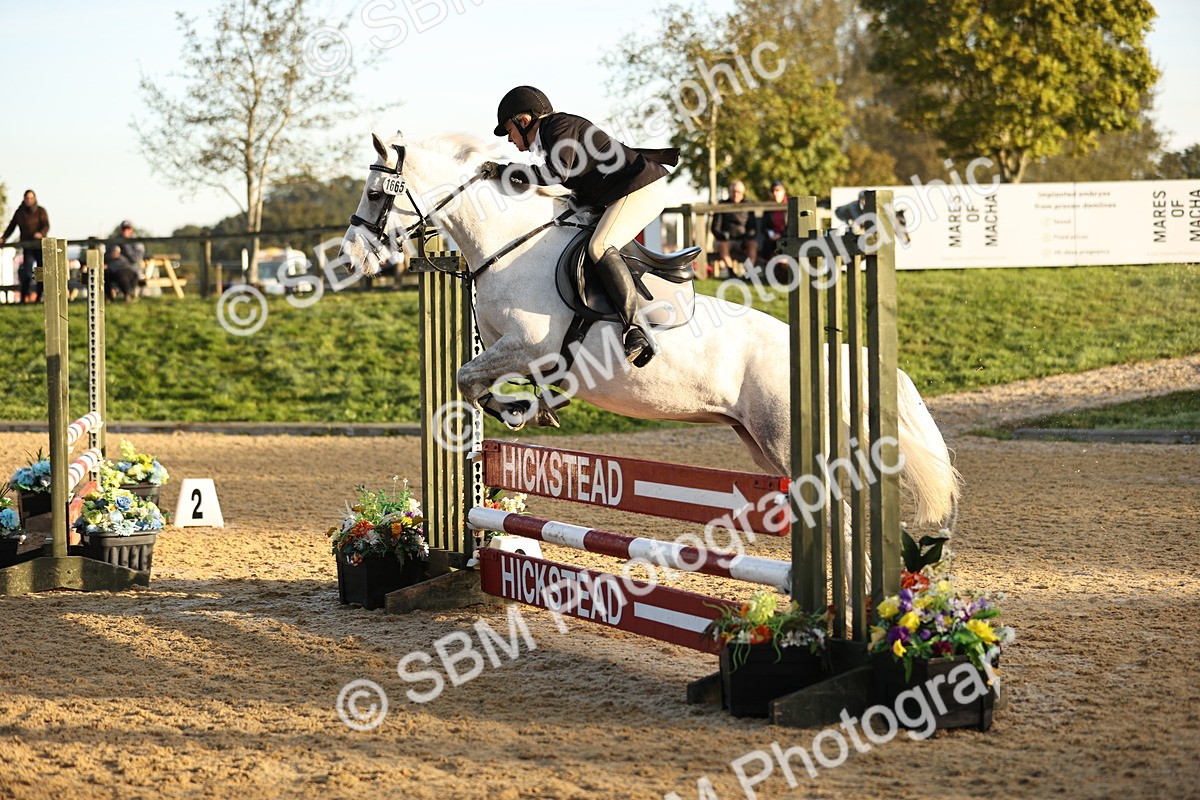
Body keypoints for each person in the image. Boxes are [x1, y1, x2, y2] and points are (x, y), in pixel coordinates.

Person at [480, 85, 679, 367]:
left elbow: (556, 173)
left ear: (524, 121)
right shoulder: (553, 133)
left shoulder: (557, 127)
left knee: (600, 246)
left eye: (509, 130)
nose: (510, 139)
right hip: (618, 194)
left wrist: (504, 171)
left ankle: (636, 329)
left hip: (639, 189)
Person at [1, 189, 50, 303]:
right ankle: (24, 297)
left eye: (31, 198)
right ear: (24, 199)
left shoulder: (40, 211)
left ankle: (40, 296)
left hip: (39, 245)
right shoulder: (20, 212)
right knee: (26, 272)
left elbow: (46, 225)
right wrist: (4, 237)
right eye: (27, 198)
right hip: (27, 246)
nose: (29, 200)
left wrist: (40, 234)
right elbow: (12, 226)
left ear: (35, 199)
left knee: (40, 272)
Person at [710, 181, 757, 277]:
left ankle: (749, 272)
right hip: (727, 240)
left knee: (753, 244)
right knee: (722, 244)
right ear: (730, 192)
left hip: (743, 239)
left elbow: (753, 228)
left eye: (739, 192)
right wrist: (723, 235)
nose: (736, 194)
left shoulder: (748, 206)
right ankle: (731, 272)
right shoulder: (722, 205)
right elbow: (715, 228)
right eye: (734, 191)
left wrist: (747, 237)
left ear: (743, 193)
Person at [104, 220, 145, 303]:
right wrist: (112, 256)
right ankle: (109, 297)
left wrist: (125, 247)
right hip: (114, 268)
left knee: (121, 274)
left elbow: (136, 259)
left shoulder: (137, 242)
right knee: (105, 275)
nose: (125, 231)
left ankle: (127, 296)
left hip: (130, 269)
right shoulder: (114, 241)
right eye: (124, 229)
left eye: (128, 228)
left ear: (131, 229)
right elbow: (105, 256)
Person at [761, 180, 788, 262]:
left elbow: (792, 226)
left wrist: (780, 235)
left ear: (783, 191)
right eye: (773, 191)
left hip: (786, 238)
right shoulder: (768, 208)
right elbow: (763, 227)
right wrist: (771, 234)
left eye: (778, 190)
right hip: (771, 240)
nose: (775, 193)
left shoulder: (790, 205)